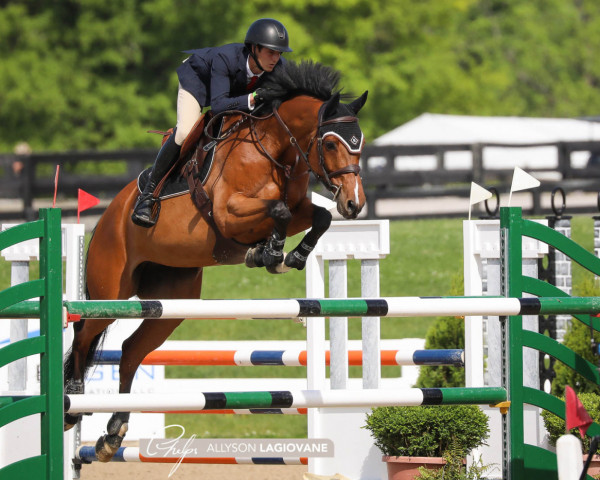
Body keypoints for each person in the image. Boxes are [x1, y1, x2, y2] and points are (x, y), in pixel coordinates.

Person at [131, 18, 292, 227]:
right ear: (254, 48)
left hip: (234, 91)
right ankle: (148, 194)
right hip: (198, 81)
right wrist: (252, 98)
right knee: (184, 132)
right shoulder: (225, 59)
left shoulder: (279, 67)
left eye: (279, 53)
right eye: (271, 52)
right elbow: (218, 106)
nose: (275, 58)